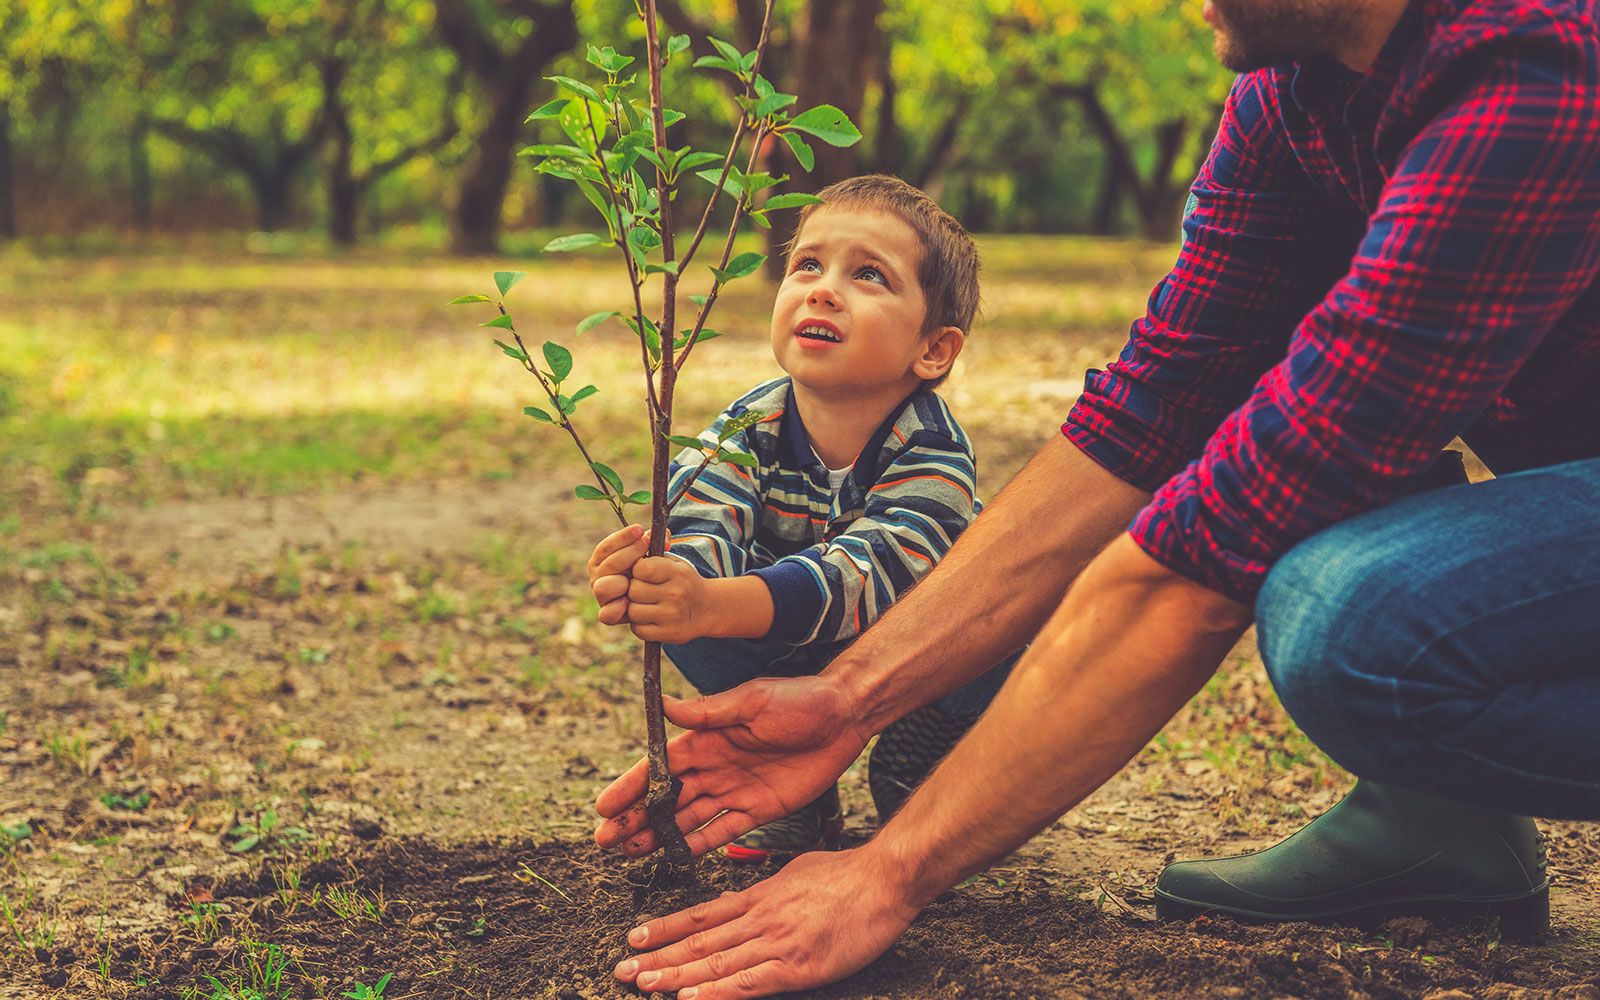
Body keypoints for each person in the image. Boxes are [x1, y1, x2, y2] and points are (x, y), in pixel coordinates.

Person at [591, 0, 1600, 995]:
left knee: (1353, 620)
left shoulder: (1535, 63)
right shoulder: (1287, 96)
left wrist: (889, 871)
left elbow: (1218, 545)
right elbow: (1150, 414)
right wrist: (849, 697)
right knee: (1295, 430)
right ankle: (1442, 823)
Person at [586, 174, 1018, 862]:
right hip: (787, 644)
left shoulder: (934, 447)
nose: (823, 288)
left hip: (913, 652)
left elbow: (872, 573)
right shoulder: (749, 423)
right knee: (691, 622)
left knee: (1003, 633)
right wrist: (668, 583)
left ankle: (930, 753)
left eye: (869, 275)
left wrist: (722, 601)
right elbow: (704, 517)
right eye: (807, 265)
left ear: (932, 349)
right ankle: (800, 793)